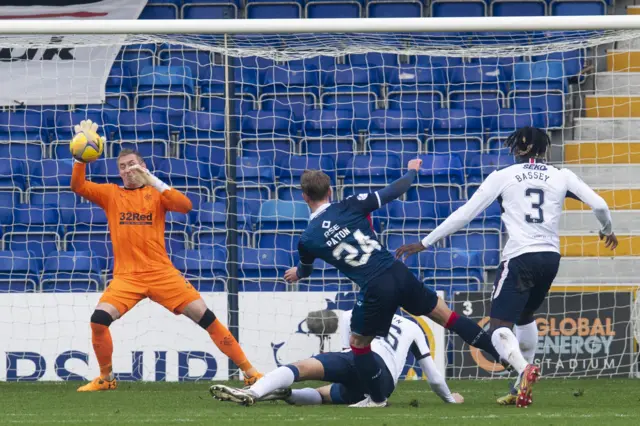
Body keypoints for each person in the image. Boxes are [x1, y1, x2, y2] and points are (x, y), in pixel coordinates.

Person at [395, 127, 617, 408]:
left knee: (499, 327)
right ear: (543, 149)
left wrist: (426, 242)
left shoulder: (503, 176)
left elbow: (465, 213)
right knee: (525, 315)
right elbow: (600, 205)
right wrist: (606, 229)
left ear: (518, 149)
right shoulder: (562, 175)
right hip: (550, 257)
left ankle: (524, 369)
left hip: (520, 257)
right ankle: (517, 386)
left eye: (513, 146)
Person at [281, 160, 503, 407]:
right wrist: (412, 170)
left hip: (375, 285)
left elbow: (307, 268)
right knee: (447, 317)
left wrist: (297, 274)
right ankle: (502, 355)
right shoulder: (351, 204)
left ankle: (376, 399)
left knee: (358, 344)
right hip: (399, 272)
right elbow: (394, 190)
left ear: (304, 196)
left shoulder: (308, 238)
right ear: (330, 190)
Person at [70, 120, 262, 391]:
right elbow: (77, 186)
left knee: (206, 318)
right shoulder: (111, 194)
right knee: (98, 321)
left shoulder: (156, 194)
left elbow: (185, 206)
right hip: (127, 278)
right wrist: (80, 158)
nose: (127, 170)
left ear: (143, 167)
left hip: (162, 274)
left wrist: (153, 181)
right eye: (122, 167)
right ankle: (106, 378)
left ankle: (250, 373)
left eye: (132, 164)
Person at [209, 310, 463, 406]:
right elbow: (435, 378)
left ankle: (254, 392)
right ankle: (287, 395)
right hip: (381, 385)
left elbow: (347, 353)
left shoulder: (352, 313)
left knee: (302, 368)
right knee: (323, 394)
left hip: (358, 364)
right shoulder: (413, 327)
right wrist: (451, 399)